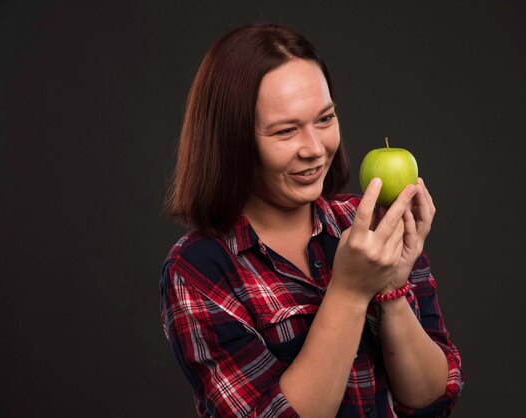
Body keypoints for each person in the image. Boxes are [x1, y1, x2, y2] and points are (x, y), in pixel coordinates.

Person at [160, 23, 463, 418]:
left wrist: (391, 290)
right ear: (233, 142)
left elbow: (431, 397)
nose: (316, 149)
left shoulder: (369, 227)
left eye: (324, 119)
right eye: (286, 131)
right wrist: (351, 291)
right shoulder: (199, 270)